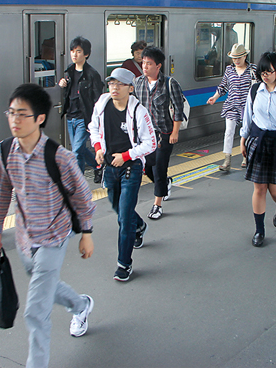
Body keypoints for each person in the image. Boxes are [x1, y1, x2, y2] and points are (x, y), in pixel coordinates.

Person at [0, 83, 96, 368]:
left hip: (54, 237)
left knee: (35, 311)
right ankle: (81, 305)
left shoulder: (58, 156)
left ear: (40, 119)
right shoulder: (4, 151)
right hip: (24, 238)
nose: (14, 120)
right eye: (11, 113)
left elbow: (82, 195)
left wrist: (87, 233)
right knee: (43, 284)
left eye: (22, 114)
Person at [89, 68, 156, 281]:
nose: (114, 88)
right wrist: (98, 148)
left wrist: (126, 156)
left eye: (119, 84)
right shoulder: (102, 104)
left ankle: (124, 264)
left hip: (131, 168)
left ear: (130, 88)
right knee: (117, 207)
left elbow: (151, 143)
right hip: (110, 167)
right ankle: (140, 225)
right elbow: (94, 128)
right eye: (111, 83)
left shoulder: (139, 111)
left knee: (124, 218)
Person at [240, 52, 276, 248]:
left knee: (275, 190)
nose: (265, 76)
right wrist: (243, 138)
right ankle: (259, 230)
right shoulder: (255, 90)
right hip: (257, 140)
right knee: (259, 188)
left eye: (269, 72)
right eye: (262, 72)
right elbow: (248, 115)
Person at [133, 46, 186, 219]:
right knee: (146, 167)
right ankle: (165, 184)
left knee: (158, 168)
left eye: (149, 63)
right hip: (145, 135)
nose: (145, 67)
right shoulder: (138, 83)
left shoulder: (170, 84)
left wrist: (175, 132)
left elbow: (178, 109)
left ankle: (157, 205)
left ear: (159, 66)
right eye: (143, 63)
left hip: (164, 133)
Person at [59, 36, 104, 182]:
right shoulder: (69, 71)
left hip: (84, 118)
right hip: (70, 117)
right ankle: (98, 166)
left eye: (78, 51)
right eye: (72, 51)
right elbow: (69, 93)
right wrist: (63, 84)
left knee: (76, 151)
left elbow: (98, 98)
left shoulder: (92, 74)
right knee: (80, 149)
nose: (74, 54)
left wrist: (96, 120)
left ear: (86, 54)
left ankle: (77, 183)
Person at [207, 43, 257, 172]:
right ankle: (227, 159)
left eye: (239, 58)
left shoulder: (253, 70)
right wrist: (215, 97)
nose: (236, 61)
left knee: (246, 132)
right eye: (234, 58)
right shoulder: (229, 69)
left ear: (245, 56)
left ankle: (245, 157)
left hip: (248, 107)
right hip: (232, 104)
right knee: (229, 131)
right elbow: (223, 86)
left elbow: (259, 88)